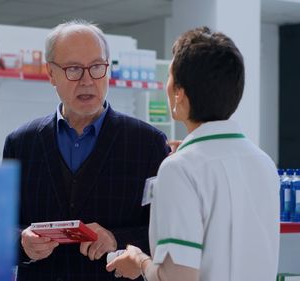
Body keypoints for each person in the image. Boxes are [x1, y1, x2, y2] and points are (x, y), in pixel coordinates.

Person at [106, 26, 280, 281]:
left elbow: (177, 277)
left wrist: (139, 262)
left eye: (169, 77)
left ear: (180, 94)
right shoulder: (263, 163)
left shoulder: (179, 169)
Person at [2, 19, 170, 281]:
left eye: (96, 67)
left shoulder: (147, 143)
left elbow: (163, 232)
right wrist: (21, 242)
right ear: (51, 74)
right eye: (73, 69)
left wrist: (115, 239)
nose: (87, 80)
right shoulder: (21, 143)